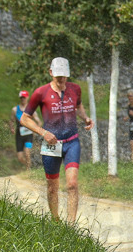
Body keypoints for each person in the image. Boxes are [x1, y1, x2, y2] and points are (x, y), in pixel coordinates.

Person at [21, 57, 94, 224]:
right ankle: (55, 221)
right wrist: (43, 132)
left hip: (71, 142)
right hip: (51, 144)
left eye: (64, 76)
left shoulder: (75, 89)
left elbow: (78, 106)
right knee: (52, 187)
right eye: (58, 76)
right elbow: (24, 119)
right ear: (51, 73)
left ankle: (71, 226)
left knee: (72, 184)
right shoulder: (41, 92)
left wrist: (85, 118)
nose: (61, 79)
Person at [11, 90, 39, 169]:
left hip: (29, 135)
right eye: (21, 98)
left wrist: (35, 130)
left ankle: (28, 171)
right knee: (20, 157)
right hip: (19, 135)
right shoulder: (15, 110)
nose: (23, 99)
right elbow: (11, 121)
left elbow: (38, 121)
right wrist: (11, 128)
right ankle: (29, 165)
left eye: (24, 98)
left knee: (27, 152)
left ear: (27, 98)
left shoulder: (31, 110)